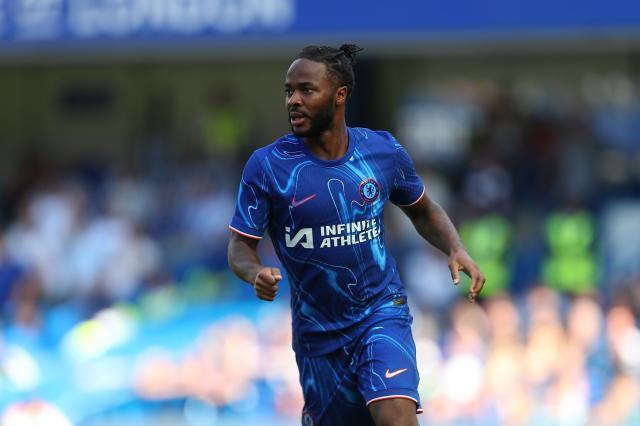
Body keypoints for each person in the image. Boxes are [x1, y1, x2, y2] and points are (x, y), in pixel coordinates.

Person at [227, 44, 485, 426]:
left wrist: (455, 246)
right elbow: (240, 245)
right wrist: (254, 272)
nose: (294, 101)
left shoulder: (381, 151)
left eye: (306, 90)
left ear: (340, 95)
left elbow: (422, 208)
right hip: (318, 335)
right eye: (289, 91)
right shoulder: (268, 166)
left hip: (380, 313)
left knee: (397, 416)